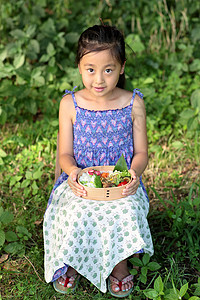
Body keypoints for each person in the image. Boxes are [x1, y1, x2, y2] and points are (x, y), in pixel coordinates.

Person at [43, 24, 154, 298]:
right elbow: (65, 155)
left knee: (124, 210)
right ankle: (70, 262)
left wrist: (133, 174)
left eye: (109, 69)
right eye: (90, 69)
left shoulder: (133, 103)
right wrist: (72, 173)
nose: (99, 79)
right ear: (79, 68)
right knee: (75, 210)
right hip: (80, 179)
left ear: (122, 68)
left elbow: (141, 153)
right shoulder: (70, 103)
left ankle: (119, 264)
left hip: (120, 182)